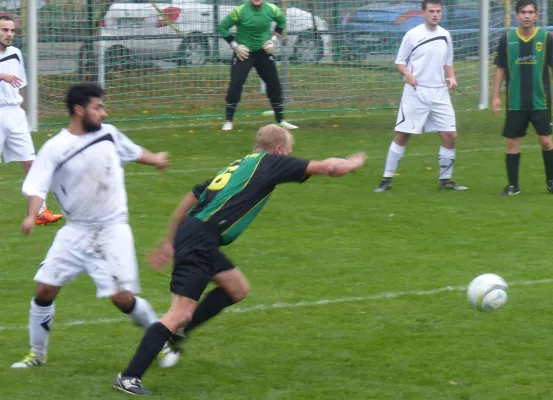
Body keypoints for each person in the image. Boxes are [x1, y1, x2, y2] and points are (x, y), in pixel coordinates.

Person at [111, 124, 367, 395]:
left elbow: (191, 197)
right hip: (200, 239)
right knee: (180, 312)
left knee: (237, 288)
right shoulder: (271, 162)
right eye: (290, 152)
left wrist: (171, 239)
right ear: (279, 150)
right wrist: (352, 163)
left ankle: (177, 334)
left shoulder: (240, 164)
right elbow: (327, 167)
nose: (293, 158)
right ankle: (129, 377)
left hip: (200, 237)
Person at [11, 82, 180, 369]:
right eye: (97, 107)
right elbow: (37, 185)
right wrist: (31, 215)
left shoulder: (108, 135)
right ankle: (37, 355)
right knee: (44, 290)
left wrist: (157, 159)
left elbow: (133, 151)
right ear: (79, 110)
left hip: (112, 229)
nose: (104, 112)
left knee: (122, 299)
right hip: (75, 231)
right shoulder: (55, 147)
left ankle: (163, 341)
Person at [373, 0, 468, 192]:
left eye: (438, 11)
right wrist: (407, 74)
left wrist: (452, 77)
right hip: (416, 93)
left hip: (440, 93)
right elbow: (399, 62)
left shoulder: (445, 35)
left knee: (450, 135)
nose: (435, 15)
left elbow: (447, 63)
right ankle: (386, 179)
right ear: (423, 12)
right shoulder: (412, 35)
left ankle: (446, 180)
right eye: (431, 11)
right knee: (403, 135)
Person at [0, 15, 62, 224]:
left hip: (14, 114)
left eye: (12, 31)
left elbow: (20, 86)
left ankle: (40, 212)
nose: (9, 34)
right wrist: (2, 76)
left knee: (30, 161)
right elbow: (7, 78)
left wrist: (22, 110)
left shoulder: (16, 53)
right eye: (4, 30)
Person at [492, 0, 553, 196]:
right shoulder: (506, 39)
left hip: (540, 100)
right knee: (513, 142)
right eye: (523, 12)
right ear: (517, 15)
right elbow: (500, 69)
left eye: (530, 12)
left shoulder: (546, 38)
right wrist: (495, 97)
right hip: (515, 101)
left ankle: (551, 182)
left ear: (537, 16)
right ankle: (513, 186)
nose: (527, 16)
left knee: (546, 141)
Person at [218, 0, 298, 132]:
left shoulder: (272, 9)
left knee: (274, 83)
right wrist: (235, 46)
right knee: (235, 84)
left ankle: (281, 120)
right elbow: (223, 27)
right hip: (244, 53)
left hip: (263, 53)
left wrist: (273, 40)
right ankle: (228, 121)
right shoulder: (239, 11)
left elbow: (282, 22)